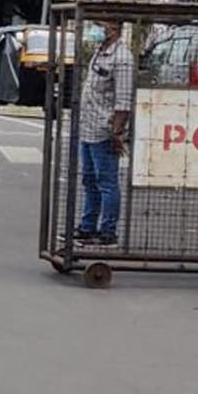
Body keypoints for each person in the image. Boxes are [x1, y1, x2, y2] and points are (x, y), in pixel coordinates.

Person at [75, 20, 133, 247]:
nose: (95, 28)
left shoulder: (123, 59)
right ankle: (87, 227)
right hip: (87, 126)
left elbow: (123, 101)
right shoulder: (99, 53)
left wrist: (117, 132)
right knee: (89, 180)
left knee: (106, 182)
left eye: (100, 25)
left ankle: (108, 231)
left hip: (105, 129)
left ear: (114, 28)